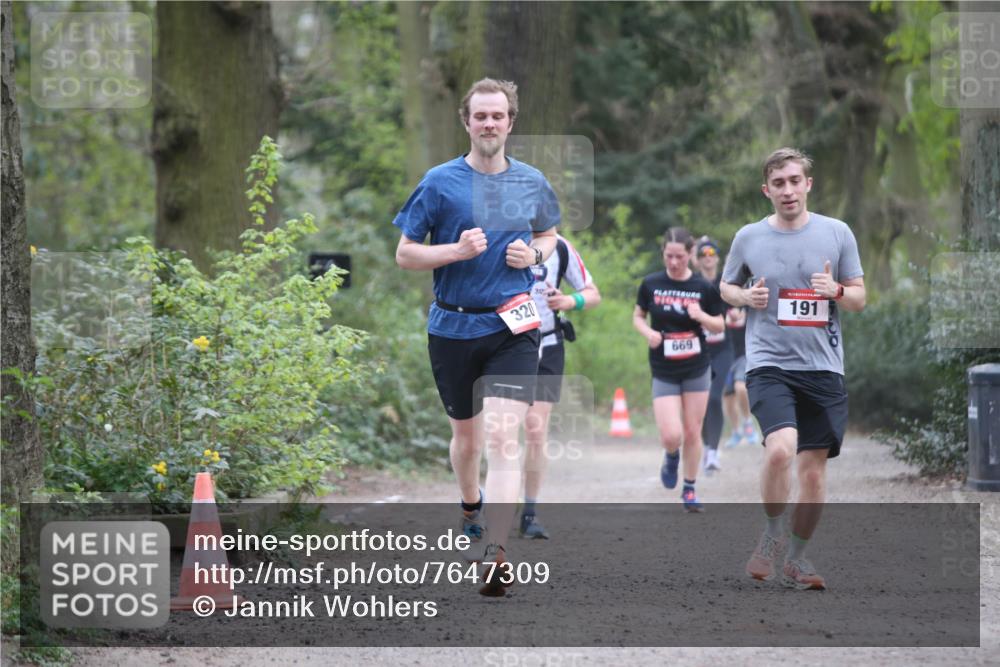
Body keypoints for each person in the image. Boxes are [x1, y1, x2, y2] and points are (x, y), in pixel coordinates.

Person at [393, 78, 559, 596]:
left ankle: (496, 552)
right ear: (466, 122)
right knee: (466, 441)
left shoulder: (531, 181)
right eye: (480, 116)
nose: (490, 124)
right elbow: (405, 253)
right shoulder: (439, 182)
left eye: (499, 116)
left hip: (513, 323)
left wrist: (532, 255)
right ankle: (470, 503)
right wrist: (454, 252)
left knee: (503, 437)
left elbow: (549, 235)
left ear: (511, 122)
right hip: (453, 325)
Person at [720, 147, 865, 590]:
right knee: (780, 449)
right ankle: (771, 534)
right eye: (778, 183)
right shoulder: (749, 237)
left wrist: (836, 289)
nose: (788, 190)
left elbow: (859, 298)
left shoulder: (837, 233)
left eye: (794, 180)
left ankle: (798, 560)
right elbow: (726, 287)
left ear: (808, 184)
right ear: (767, 190)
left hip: (823, 368)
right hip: (769, 363)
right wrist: (745, 298)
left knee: (813, 473)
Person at [634, 227, 725, 512]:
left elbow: (720, 324)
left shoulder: (703, 287)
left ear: (690, 256)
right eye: (669, 256)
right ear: (663, 254)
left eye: (680, 257)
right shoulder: (650, 283)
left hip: (696, 366)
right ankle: (671, 455)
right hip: (663, 367)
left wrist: (702, 317)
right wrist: (647, 332)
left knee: (692, 430)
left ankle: (689, 487)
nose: (674, 263)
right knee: (672, 434)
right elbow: (638, 316)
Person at [521, 234, 601, 539]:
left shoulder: (561, 247)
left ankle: (529, 512)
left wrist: (569, 301)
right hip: (503, 344)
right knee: (499, 428)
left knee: (534, 428)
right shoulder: (500, 237)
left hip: (548, 346)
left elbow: (593, 294)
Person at [694, 237, 732, 474]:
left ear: (717, 258)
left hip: (722, 349)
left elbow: (740, 307)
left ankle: (713, 452)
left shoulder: (727, 284)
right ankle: (706, 445)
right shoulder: (692, 284)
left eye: (711, 253)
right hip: (697, 350)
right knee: (701, 403)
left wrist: (738, 315)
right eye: (703, 254)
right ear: (697, 261)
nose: (708, 258)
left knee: (716, 397)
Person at [721, 305, 758, 448]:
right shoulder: (719, 305)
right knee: (728, 396)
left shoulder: (748, 306)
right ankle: (736, 431)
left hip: (744, 355)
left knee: (740, 387)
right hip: (726, 356)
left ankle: (748, 423)